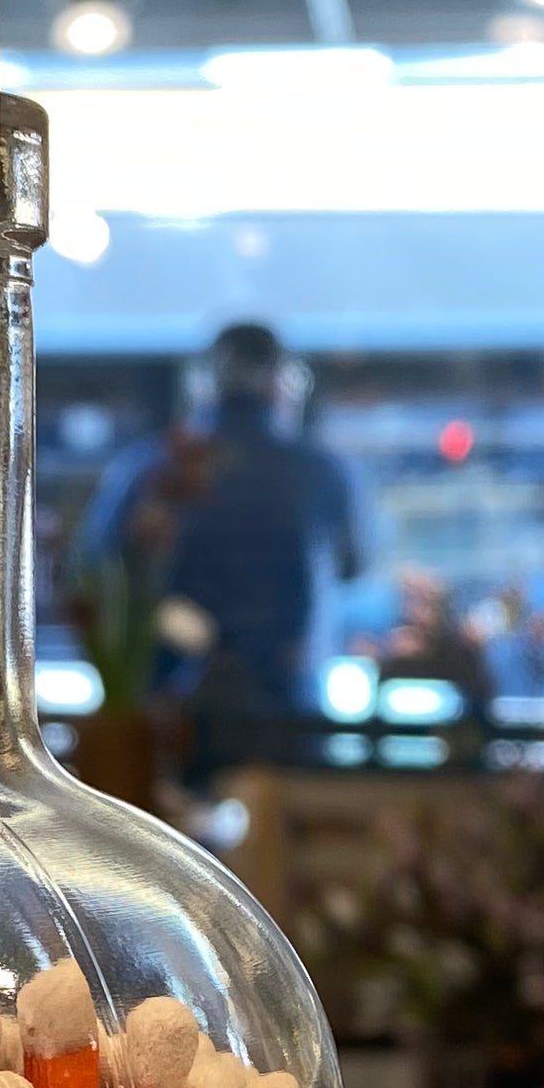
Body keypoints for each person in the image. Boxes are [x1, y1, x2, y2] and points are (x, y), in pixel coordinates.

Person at [70, 321, 360, 764]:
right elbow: (355, 564)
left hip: (167, 718)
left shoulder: (147, 469)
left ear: (201, 384)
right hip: (291, 716)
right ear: (284, 383)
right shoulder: (323, 472)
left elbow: (93, 575)